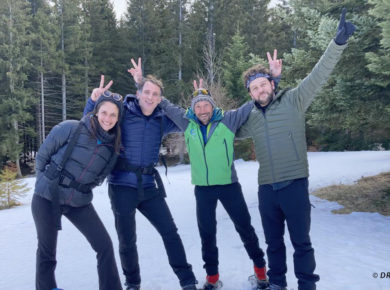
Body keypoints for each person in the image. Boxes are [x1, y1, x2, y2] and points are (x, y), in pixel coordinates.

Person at [128, 53, 281, 289]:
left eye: (206, 105)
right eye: (197, 106)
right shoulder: (187, 124)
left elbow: (256, 100)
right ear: (193, 109)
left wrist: (274, 81)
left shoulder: (228, 120)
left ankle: (261, 274)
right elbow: (162, 102)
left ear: (213, 107)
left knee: (245, 228)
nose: (202, 109)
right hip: (203, 190)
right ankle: (211, 278)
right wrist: (140, 82)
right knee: (207, 234)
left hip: (229, 186)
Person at [236, 8, 356, 290]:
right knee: (273, 243)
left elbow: (319, 74)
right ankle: (277, 283)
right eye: (254, 88)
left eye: (263, 84)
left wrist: (337, 43)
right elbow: (222, 132)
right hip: (267, 189)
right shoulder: (250, 118)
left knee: (301, 242)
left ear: (272, 85)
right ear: (250, 93)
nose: (260, 91)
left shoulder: (294, 101)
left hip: (294, 185)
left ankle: (306, 284)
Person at [83, 74, 198, 290]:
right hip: (121, 186)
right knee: (127, 240)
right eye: (146, 92)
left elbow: (187, 121)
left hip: (148, 186)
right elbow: (93, 123)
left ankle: (188, 281)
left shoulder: (161, 118)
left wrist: (162, 103)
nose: (150, 97)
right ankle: (133, 283)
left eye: (155, 94)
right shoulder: (123, 113)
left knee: (170, 232)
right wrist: (92, 101)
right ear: (137, 93)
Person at [32, 81, 124, 290]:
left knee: (104, 245)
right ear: (96, 112)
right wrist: (44, 185)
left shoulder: (112, 148)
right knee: (47, 252)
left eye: (113, 115)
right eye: (104, 112)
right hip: (47, 197)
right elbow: (42, 157)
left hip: (79, 201)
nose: (107, 118)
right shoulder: (71, 128)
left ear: (118, 119)